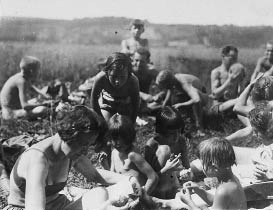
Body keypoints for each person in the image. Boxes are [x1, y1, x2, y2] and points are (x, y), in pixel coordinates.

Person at [4, 105, 141, 210]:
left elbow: (95, 175)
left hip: (58, 206)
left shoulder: (70, 152)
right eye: (83, 144)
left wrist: (129, 179)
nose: (85, 151)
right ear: (70, 134)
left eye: (88, 145)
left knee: (102, 192)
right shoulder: (38, 160)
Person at [178, 137, 247, 210]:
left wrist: (189, 202)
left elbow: (220, 199)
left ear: (215, 167)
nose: (202, 168)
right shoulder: (231, 181)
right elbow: (219, 202)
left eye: (202, 164)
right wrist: (199, 190)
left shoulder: (223, 190)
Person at [145, 106, 190, 199]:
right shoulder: (152, 145)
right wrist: (166, 169)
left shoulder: (181, 141)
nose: (176, 136)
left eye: (179, 131)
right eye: (172, 133)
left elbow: (187, 167)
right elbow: (147, 178)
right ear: (162, 131)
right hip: (156, 188)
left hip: (174, 183)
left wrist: (186, 174)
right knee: (165, 150)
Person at [109, 113, 158, 195]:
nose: (118, 143)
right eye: (114, 139)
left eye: (122, 139)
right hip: (123, 195)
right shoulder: (114, 152)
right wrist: (104, 165)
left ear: (130, 137)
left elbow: (153, 177)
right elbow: (112, 177)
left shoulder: (132, 155)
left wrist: (143, 196)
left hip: (137, 196)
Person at [91, 52, 140, 123]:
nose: (117, 81)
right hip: (107, 104)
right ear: (107, 73)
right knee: (108, 127)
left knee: (123, 128)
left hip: (125, 106)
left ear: (128, 74)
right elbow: (94, 100)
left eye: (122, 77)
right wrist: (100, 120)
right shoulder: (100, 78)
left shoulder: (133, 81)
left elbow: (136, 103)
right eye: (114, 76)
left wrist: (132, 122)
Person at [155, 70, 208, 136]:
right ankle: (188, 120)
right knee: (175, 100)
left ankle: (200, 128)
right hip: (190, 95)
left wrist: (181, 105)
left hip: (202, 96)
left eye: (165, 86)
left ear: (169, 82)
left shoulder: (184, 83)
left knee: (193, 100)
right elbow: (169, 92)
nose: (164, 89)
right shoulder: (174, 79)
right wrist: (163, 109)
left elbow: (196, 100)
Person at [0, 56, 49, 120]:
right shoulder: (22, 82)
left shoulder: (20, 76)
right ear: (31, 71)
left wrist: (43, 94)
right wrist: (44, 104)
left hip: (7, 109)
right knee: (44, 109)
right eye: (38, 69)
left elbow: (31, 87)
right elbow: (25, 106)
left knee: (37, 100)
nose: (39, 72)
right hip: (11, 113)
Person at [210, 46, 245, 115]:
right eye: (232, 57)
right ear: (223, 56)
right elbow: (215, 94)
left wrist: (241, 81)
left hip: (233, 104)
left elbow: (241, 94)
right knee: (238, 101)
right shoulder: (216, 72)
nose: (235, 60)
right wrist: (229, 81)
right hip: (218, 106)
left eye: (236, 58)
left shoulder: (237, 72)